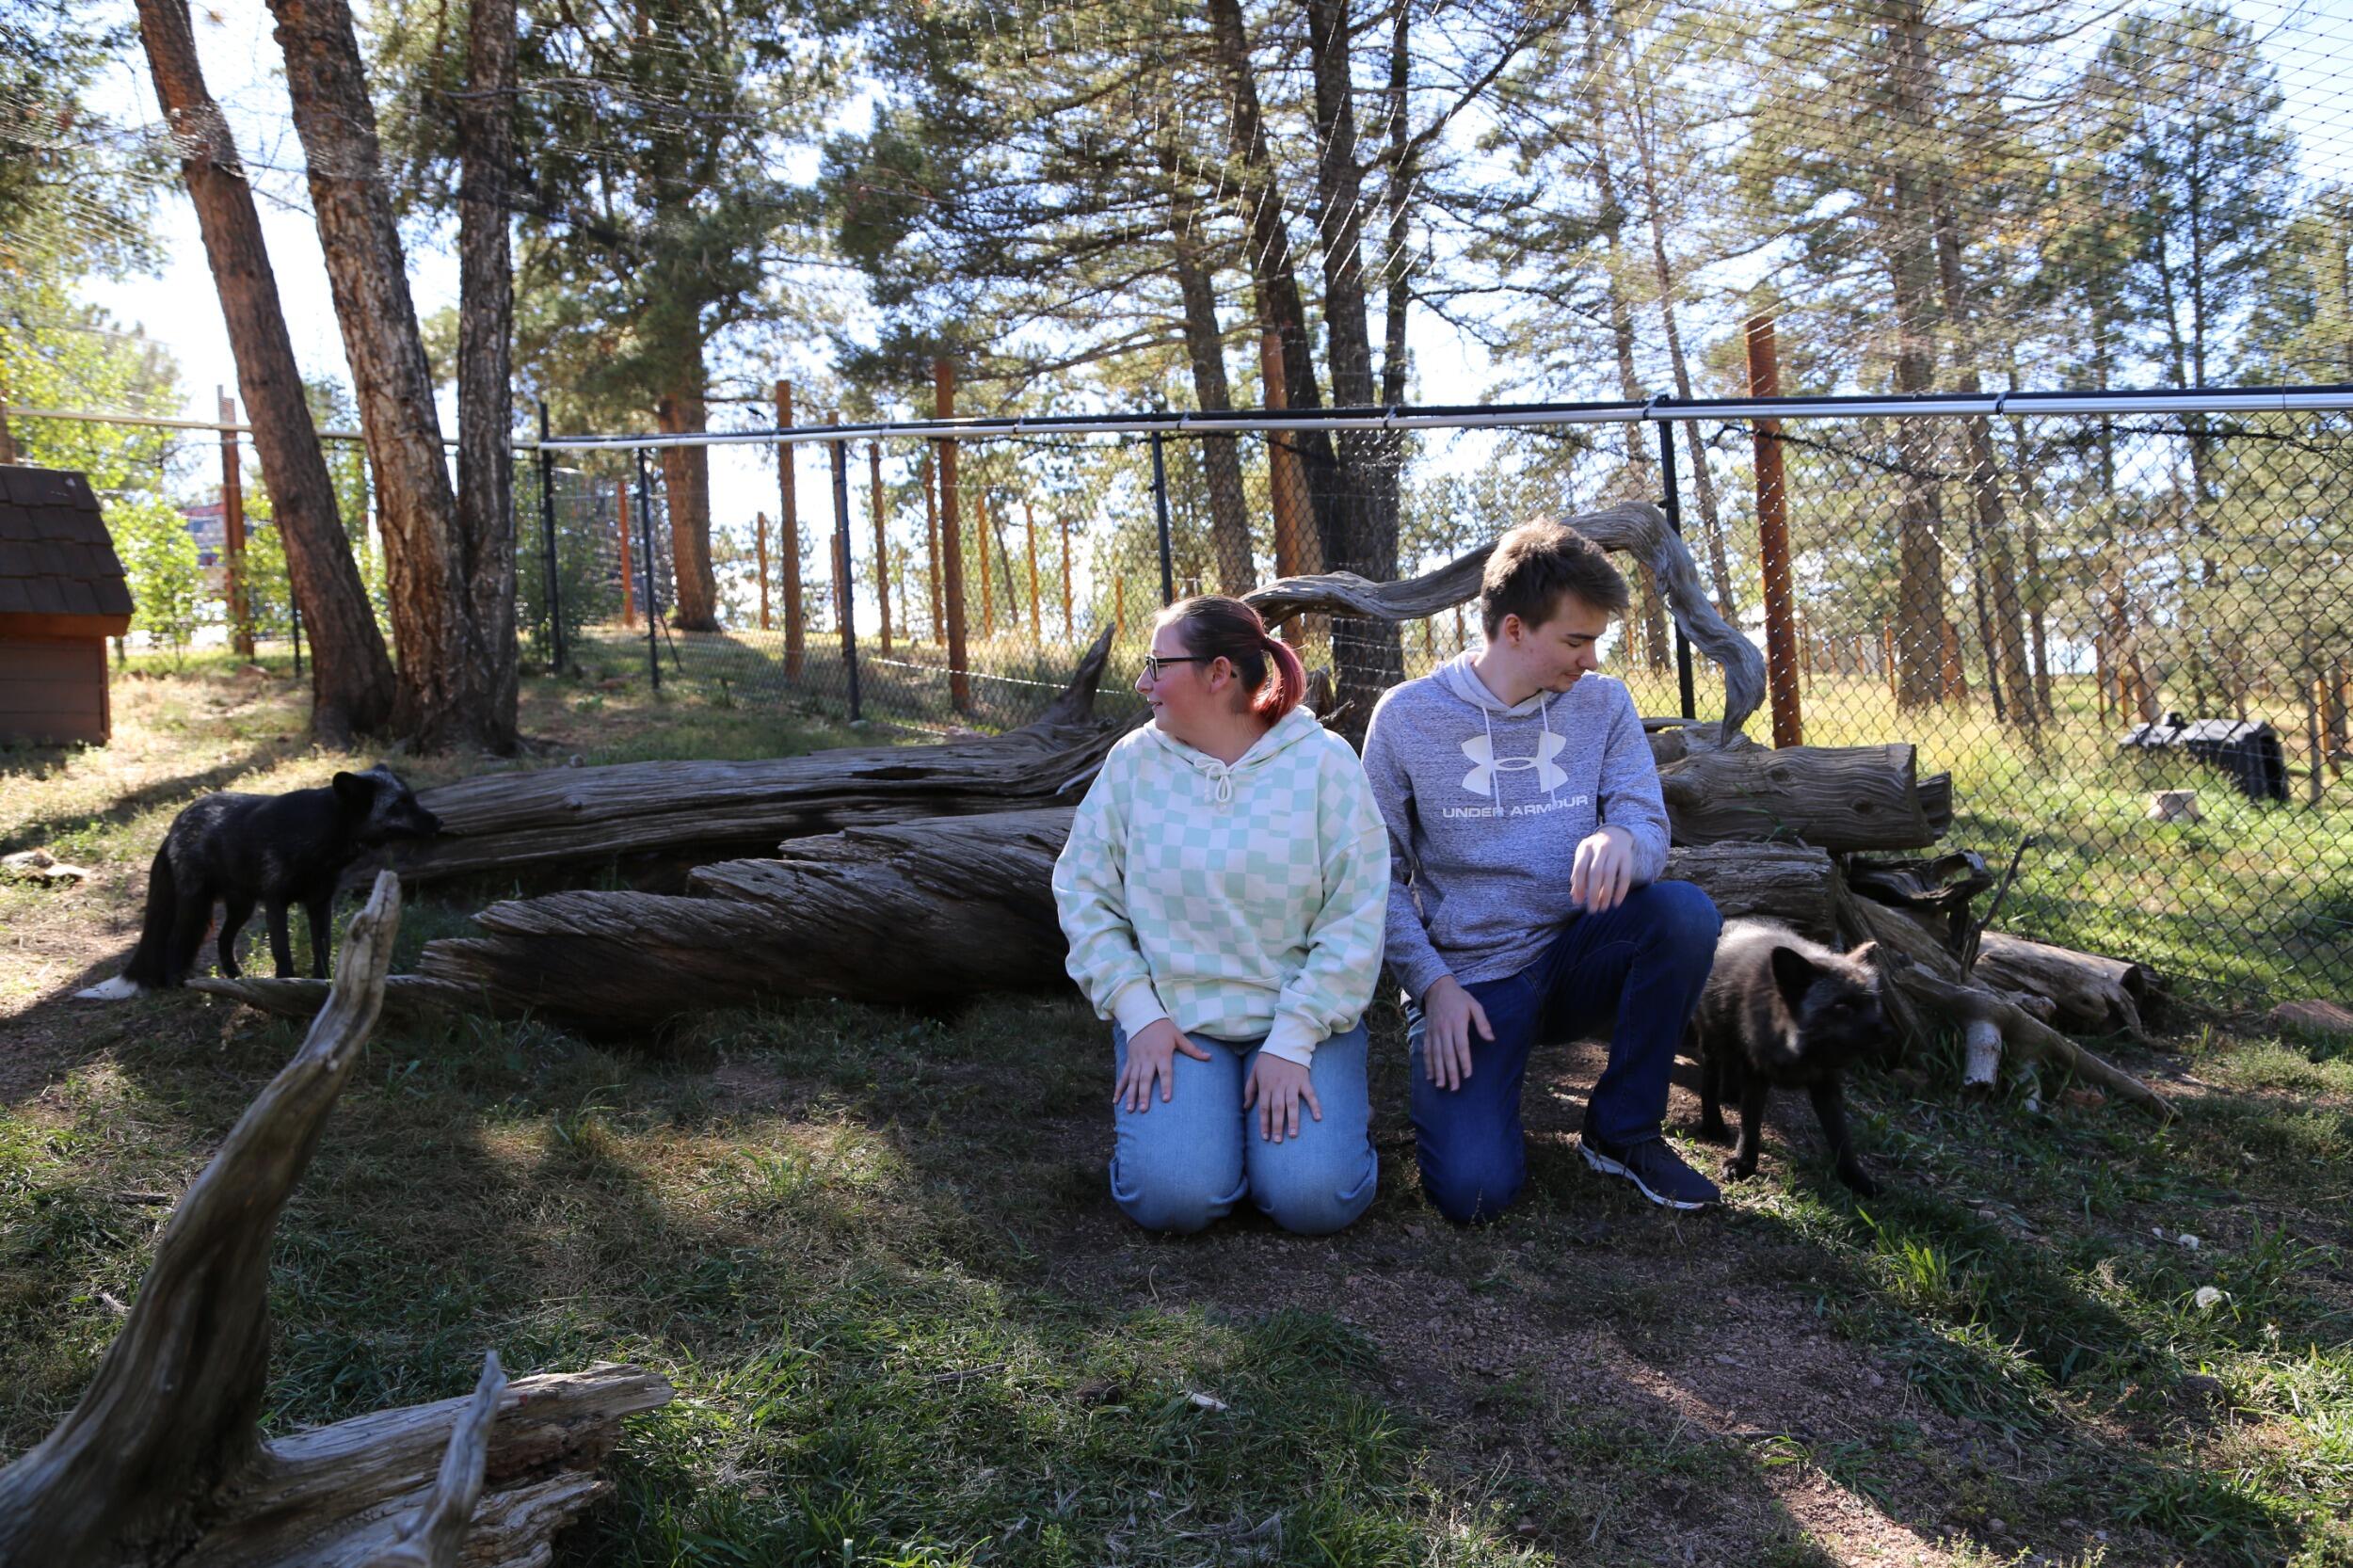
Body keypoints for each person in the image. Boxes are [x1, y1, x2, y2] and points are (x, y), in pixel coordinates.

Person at [1361, 521, 1723, 1220]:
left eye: (1595, 642)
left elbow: (1649, 824)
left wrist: (1623, 838)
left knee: (1682, 915)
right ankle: (1478, 1093)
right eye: (1575, 640)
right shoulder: (1407, 718)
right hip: (1471, 979)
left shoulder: (1604, 703)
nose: (1589, 660)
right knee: (1474, 1194)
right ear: (1516, 629)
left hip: (1579, 950)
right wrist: (1431, 987)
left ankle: (1622, 1130)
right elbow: (1372, 875)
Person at [1052, 595, 1390, 1236]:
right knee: (1172, 1198)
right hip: (1177, 1023)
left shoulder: (1323, 764)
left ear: (1218, 674)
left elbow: (1356, 915)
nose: (1141, 681)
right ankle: (1213, 1138)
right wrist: (1138, 1012)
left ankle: (1285, 1143)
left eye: (1157, 664)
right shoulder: (1133, 764)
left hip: (1301, 1021)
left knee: (1313, 1200)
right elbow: (1083, 890)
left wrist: (1293, 1041)